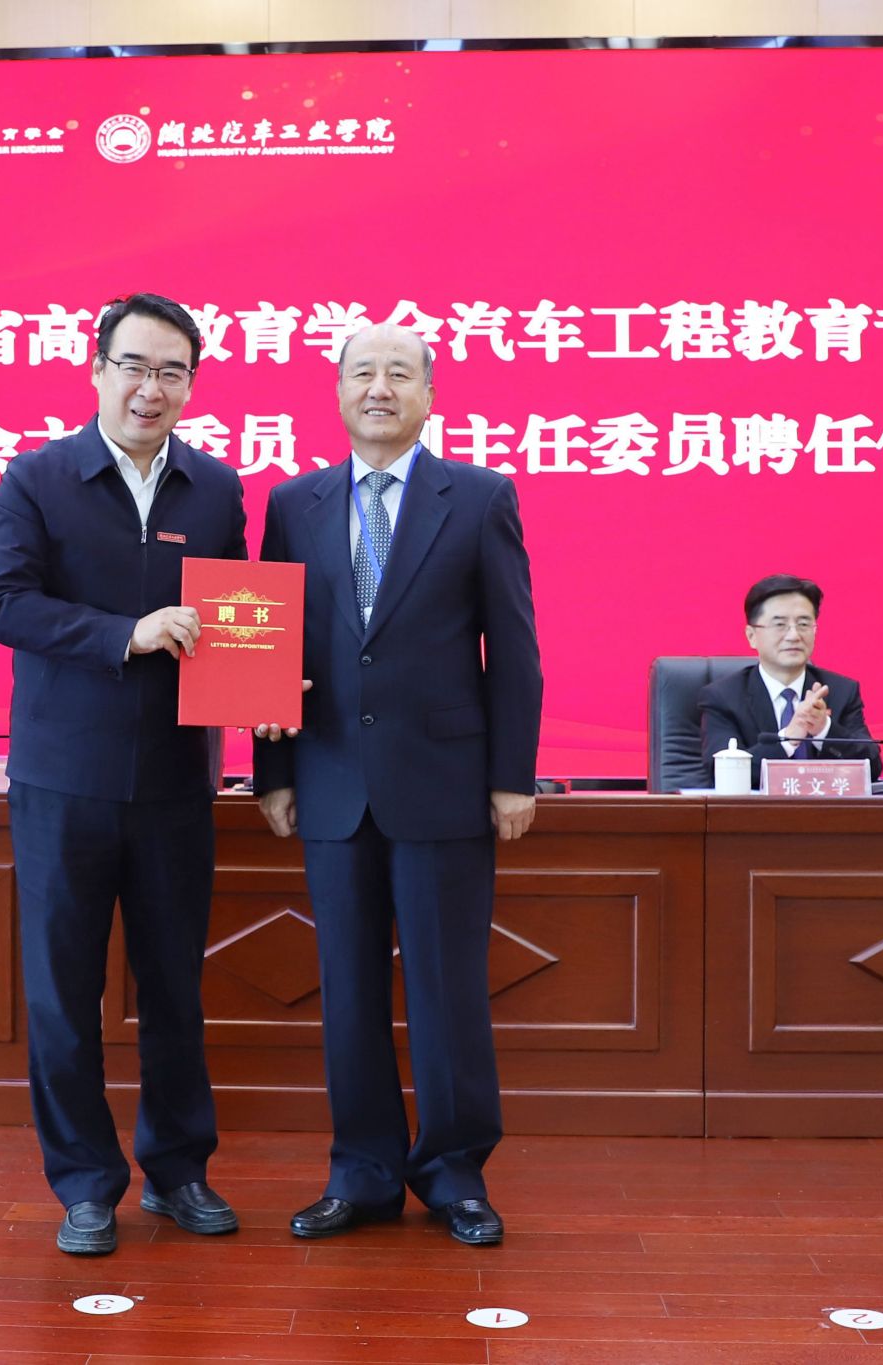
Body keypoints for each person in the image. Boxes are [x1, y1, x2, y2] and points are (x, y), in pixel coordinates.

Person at [252, 323, 542, 1248]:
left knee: (448, 990)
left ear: (429, 395)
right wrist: (272, 770)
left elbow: (514, 649)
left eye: (399, 373)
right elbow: (269, 641)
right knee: (348, 990)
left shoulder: (479, 497)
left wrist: (512, 775)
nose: (379, 387)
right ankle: (363, 1173)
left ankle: (455, 1172)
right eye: (362, 373)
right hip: (331, 780)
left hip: (445, 782)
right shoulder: (292, 502)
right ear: (338, 391)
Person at [0, 292, 246, 1256]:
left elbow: (239, 617)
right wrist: (124, 635)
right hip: (63, 778)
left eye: (172, 371)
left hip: (176, 778)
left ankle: (178, 1170)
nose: (150, 388)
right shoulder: (36, 478)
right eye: (134, 366)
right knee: (64, 992)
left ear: (191, 386)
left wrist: (268, 678)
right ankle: (86, 1184)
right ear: (97, 370)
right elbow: (3, 603)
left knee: (174, 986)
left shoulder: (216, 490)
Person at [697, 573, 883, 787]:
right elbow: (722, 773)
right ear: (751, 636)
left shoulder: (841, 691)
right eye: (780, 625)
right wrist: (789, 738)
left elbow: (872, 768)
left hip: (824, 808)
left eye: (803, 624)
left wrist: (823, 729)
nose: (794, 635)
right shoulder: (722, 697)